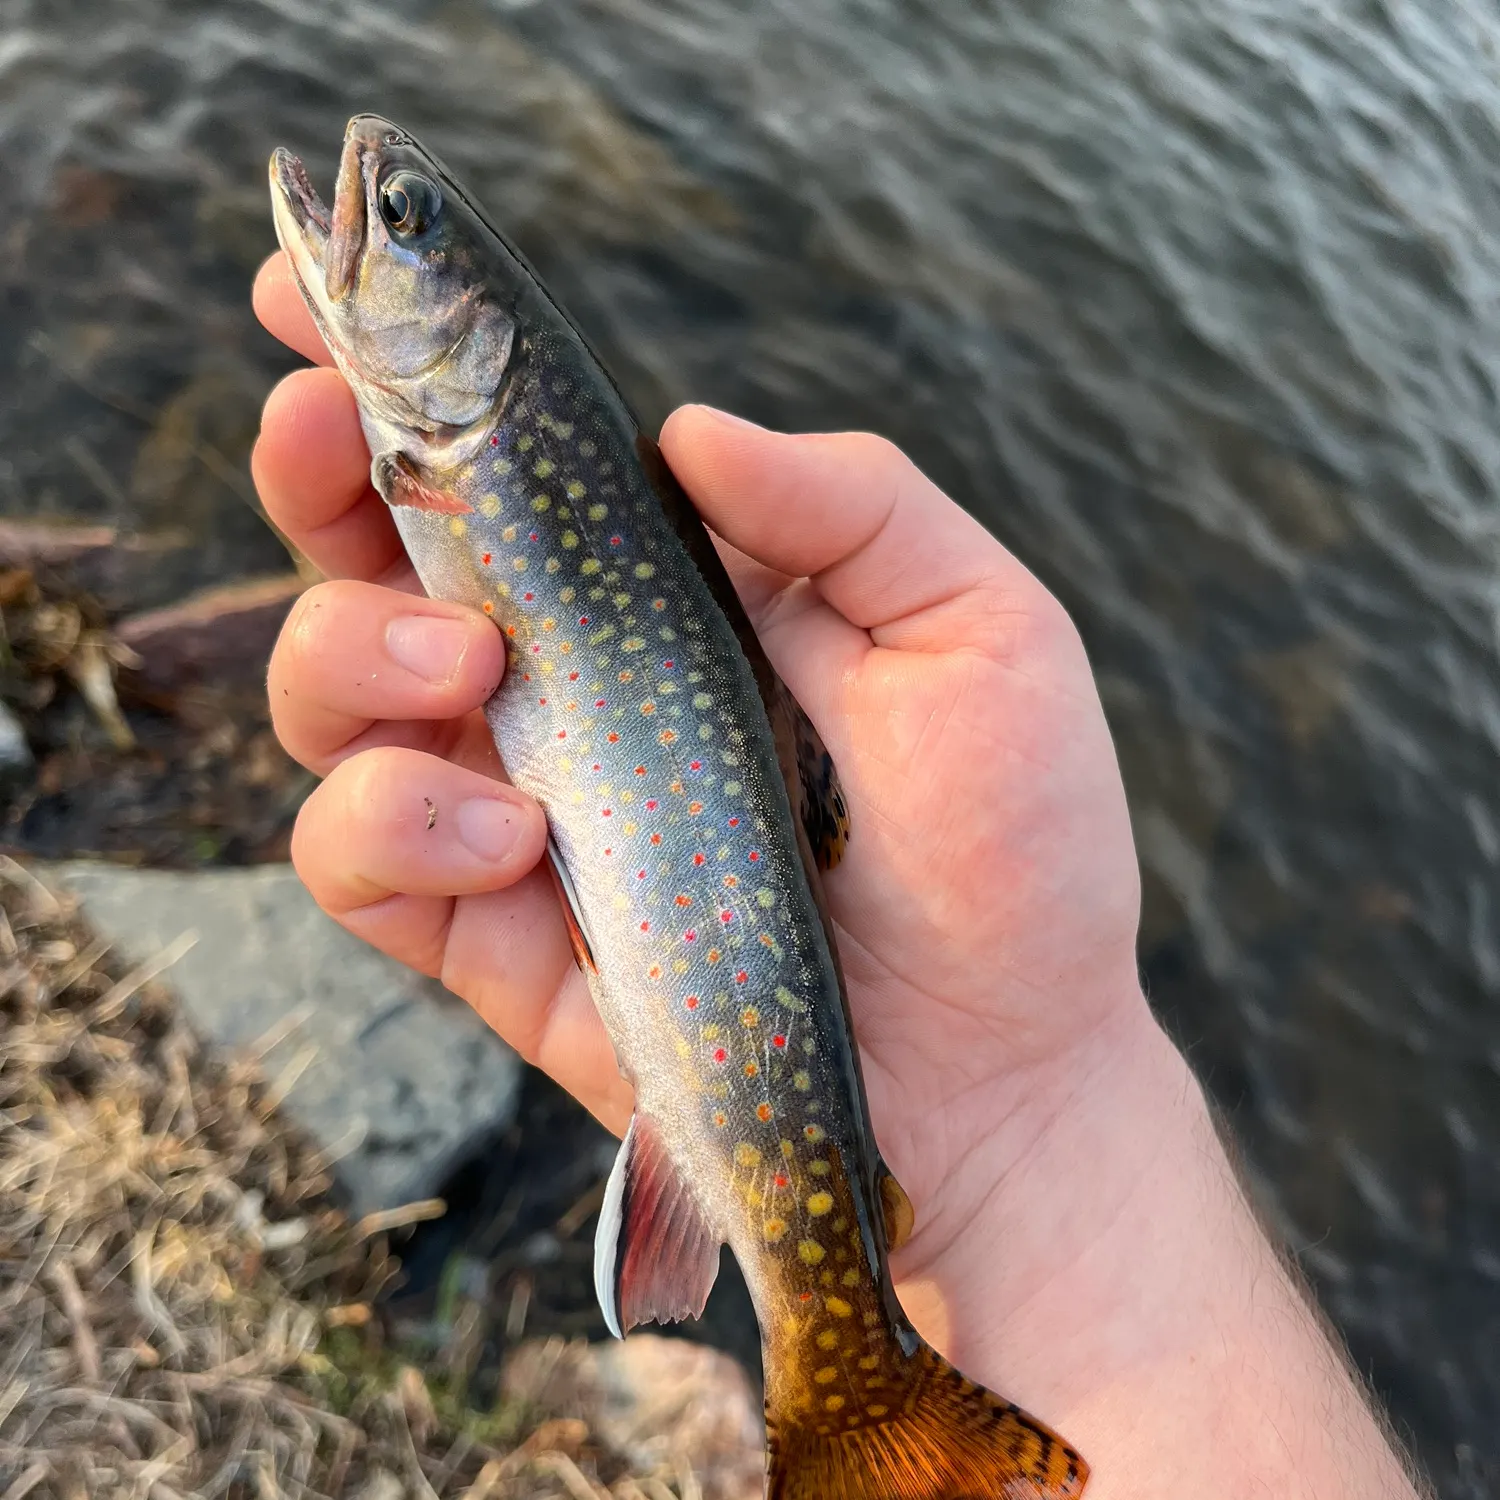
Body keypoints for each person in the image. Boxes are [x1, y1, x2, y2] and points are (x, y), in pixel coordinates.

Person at [251, 250, 1425, 1500]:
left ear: (486, 346)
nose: (373, 210)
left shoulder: (461, 455)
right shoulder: (472, 441)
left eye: (406, 224)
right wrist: (1062, 1135)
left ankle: (851, 1388)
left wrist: (1054, 1118)